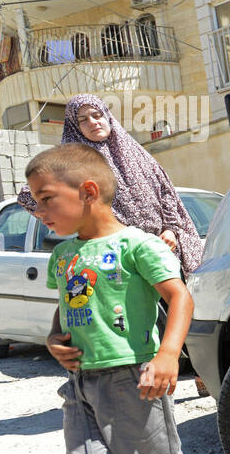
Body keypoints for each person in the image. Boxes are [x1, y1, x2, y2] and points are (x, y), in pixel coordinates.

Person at [25, 143, 207, 454]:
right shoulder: (63, 255)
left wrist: (168, 355)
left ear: (87, 192)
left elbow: (179, 295)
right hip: (80, 385)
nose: (38, 211)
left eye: (45, 199)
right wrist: (53, 337)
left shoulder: (138, 245)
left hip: (135, 379)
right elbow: (67, 309)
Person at [17, 93, 211, 395]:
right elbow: (30, 194)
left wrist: (171, 228)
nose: (93, 122)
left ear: (108, 115)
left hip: (158, 247)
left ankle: (202, 375)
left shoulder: (135, 151)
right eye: (82, 119)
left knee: (189, 313)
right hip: (116, 258)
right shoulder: (75, 164)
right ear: (73, 126)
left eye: (97, 114)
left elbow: (165, 191)